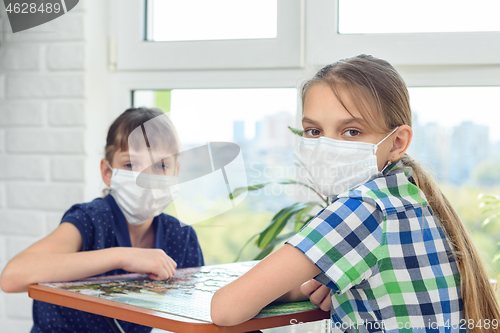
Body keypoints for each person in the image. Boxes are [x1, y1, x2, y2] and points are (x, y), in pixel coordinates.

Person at [211, 55, 500, 332]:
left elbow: (225, 309)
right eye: (313, 132)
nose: (326, 147)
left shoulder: (362, 207)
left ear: (397, 142)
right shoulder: (411, 197)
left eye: (351, 132)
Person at [0, 107, 204, 333]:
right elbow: (12, 277)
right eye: (130, 165)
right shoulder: (90, 220)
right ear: (107, 172)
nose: (146, 178)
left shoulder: (182, 236)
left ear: (176, 172)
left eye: (160, 166)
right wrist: (122, 256)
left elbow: (195, 315)